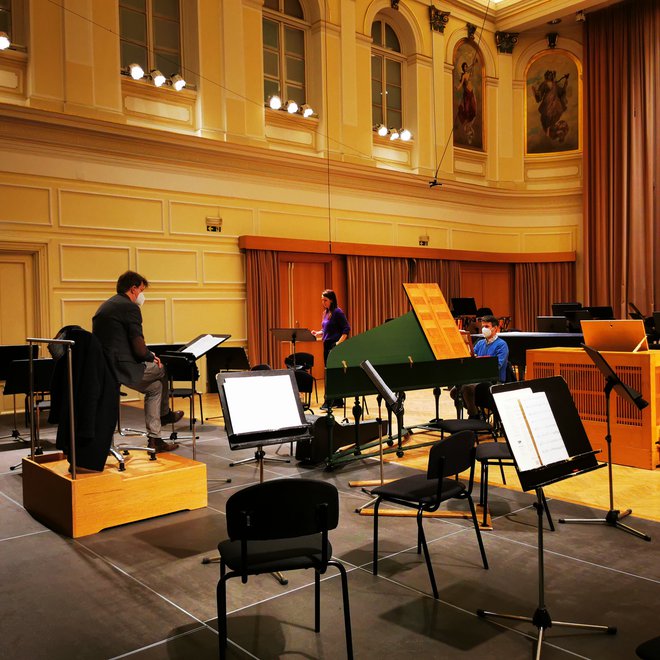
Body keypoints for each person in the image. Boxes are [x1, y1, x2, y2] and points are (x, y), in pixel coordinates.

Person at [92, 271, 183, 452]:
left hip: (103, 368)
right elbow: (139, 348)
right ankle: (164, 414)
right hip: (122, 368)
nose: (142, 295)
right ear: (133, 289)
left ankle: (155, 440)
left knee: (155, 387)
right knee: (163, 367)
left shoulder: (105, 306)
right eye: (141, 290)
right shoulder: (130, 307)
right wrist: (151, 357)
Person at [452, 315, 509, 419]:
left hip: (494, 379)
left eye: (487, 326)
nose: (484, 329)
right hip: (478, 377)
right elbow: (472, 358)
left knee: (467, 388)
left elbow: (497, 365)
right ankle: (477, 412)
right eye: (483, 326)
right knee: (455, 391)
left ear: (495, 328)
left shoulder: (502, 345)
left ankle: (474, 416)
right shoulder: (480, 343)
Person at [311, 289, 350, 409]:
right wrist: (318, 333)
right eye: (322, 300)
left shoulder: (338, 312)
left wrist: (338, 343)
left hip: (335, 345)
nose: (323, 302)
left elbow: (346, 329)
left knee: (330, 373)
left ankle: (329, 401)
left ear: (332, 300)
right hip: (326, 344)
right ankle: (338, 400)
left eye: (325, 300)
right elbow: (326, 329)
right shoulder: (325, 313)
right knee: (330, 372)